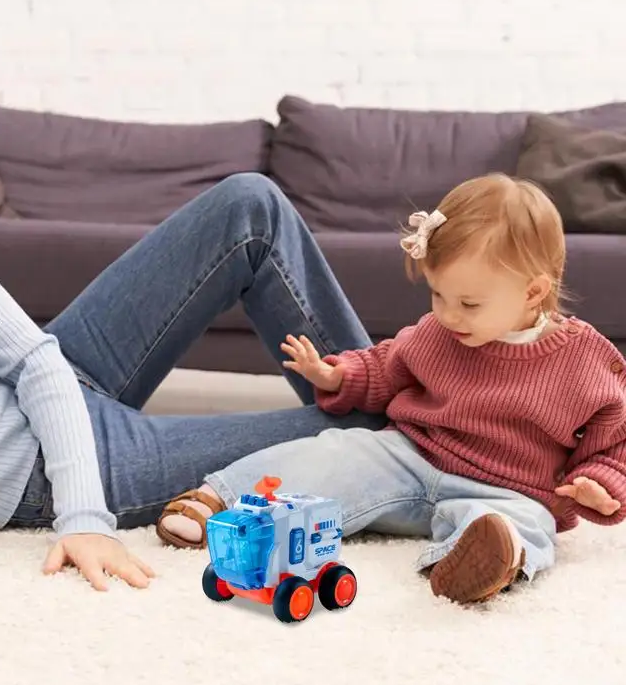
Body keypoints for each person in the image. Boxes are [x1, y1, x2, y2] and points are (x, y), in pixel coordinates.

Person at [0, 27, 388, 619]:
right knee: (364, 430)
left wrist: (85, 519)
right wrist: (81, 513)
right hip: (46, 470)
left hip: (62, 378)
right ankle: (426, 424)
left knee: (249, 204)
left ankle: (382, 386)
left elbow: (34, 359)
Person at [156, 173, 626, 604]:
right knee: (337, 452)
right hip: (410, 457)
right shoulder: (437, 333)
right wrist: (337, 376)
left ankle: (481, 559)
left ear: (532, 292)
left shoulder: (587, 360)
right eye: (438, 295)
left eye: (468, 303)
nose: (448, 315)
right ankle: (221, 504)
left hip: (506, 490)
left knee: (529, 523)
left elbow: (614, 442)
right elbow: (386, 366)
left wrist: (601, 486)